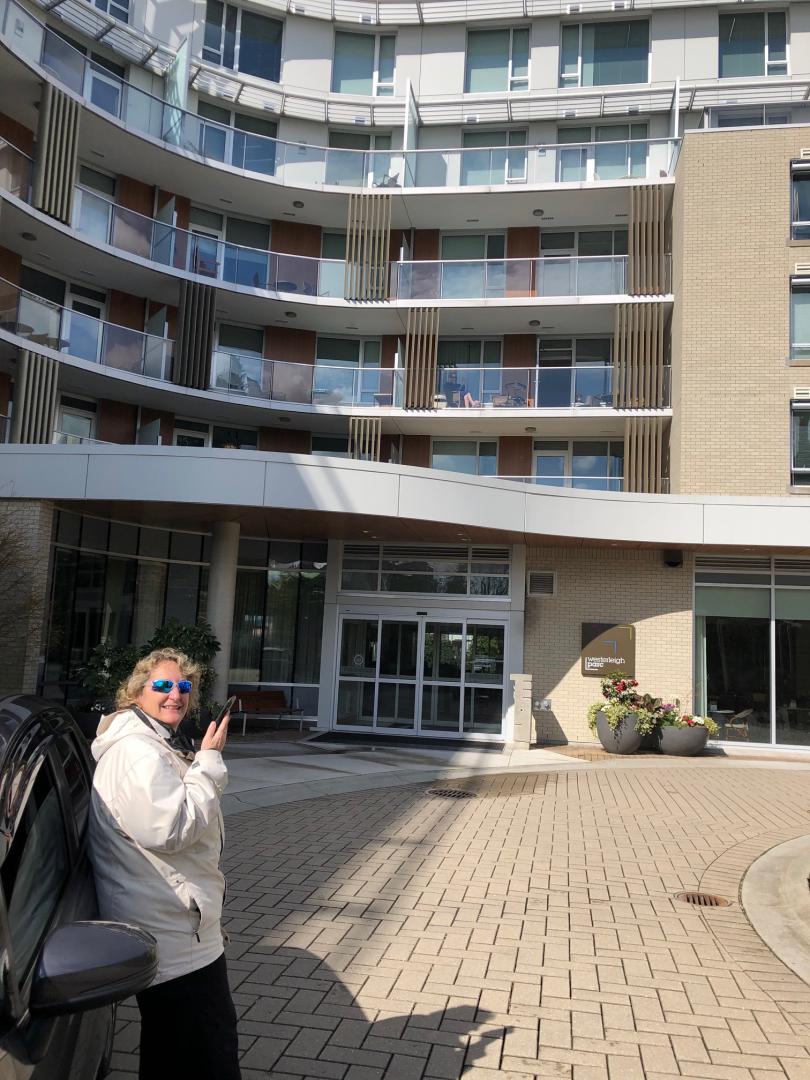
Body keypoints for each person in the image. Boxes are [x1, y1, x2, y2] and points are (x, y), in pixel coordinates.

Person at [88, 648, 240, 1080]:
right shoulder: (138, 752)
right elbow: (171, 828)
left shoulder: (153, 741)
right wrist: (209, 763)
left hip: (177, 930)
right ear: (136, 692)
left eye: (183, 686)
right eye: (162, 685)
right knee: (205, 1055)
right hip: (174, 939)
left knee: (172, 1053)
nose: (175, 694)